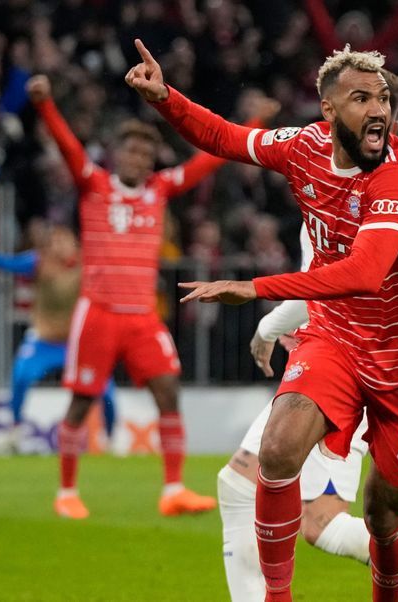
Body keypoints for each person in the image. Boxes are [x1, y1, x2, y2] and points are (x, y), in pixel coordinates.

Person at [129, 41, 398, 601]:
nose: (378, 108)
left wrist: (254, 289)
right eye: (360, 98)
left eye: (383, 98)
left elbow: (364, 272)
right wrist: (166, 99)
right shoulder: (303, 145)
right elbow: (227, 138)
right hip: (335, 338)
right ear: (328, 110)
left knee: (383, 515)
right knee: (276, 451)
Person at [26, 74, 273, 519]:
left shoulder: (160, 189)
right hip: (99, 311)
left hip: (142, 315)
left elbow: (210, 158)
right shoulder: (94, 183)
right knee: (82, 402)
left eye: (145, 152)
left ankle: (173, 489)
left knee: (168, 391)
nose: (139, 158)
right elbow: (67, 147)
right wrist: (45, 106)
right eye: (132, 150)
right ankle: (66, 493)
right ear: (118, 154)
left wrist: (254, 122)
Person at [220, 223, 398, 602]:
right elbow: (317, 285)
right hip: (329, 363)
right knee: (281, 504)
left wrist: (268, 328)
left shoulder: (358, 205)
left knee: (304, 512)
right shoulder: (319, 194)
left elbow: (339, 283)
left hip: (359, 373)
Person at [0, 225, 116, 453]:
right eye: (54, 241)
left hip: (77, 343)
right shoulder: (38, 262)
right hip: (44, 341)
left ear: (74, 244)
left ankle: (110, 438)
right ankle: (15, 432)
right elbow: (6, 263)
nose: (59, 246)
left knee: (106, 389)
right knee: (21, 377)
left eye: (63, 240)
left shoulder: (88, 265)